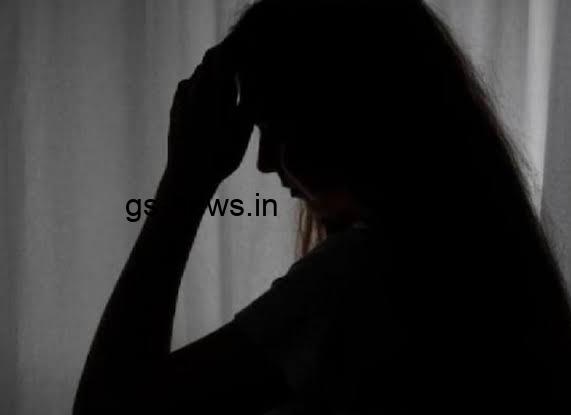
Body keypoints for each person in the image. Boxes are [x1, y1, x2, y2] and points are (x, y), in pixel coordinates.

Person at [73, 0, 571, 413]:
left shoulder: (361, 279)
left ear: (344, 117)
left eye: (277, 129)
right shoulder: (484, 261)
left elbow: (107, 406)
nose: (264, 163)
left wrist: (184, 182)